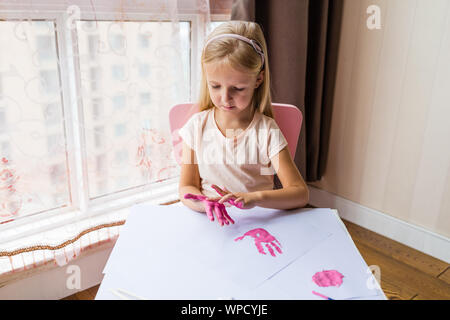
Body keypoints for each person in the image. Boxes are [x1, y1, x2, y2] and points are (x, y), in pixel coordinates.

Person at [178, 21, 309, 226]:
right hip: (209, 223)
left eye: (237, 88)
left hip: (257, 224)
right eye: (215, 86)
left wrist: (256, 198)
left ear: (258, 80)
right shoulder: (196, 127)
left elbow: (299, 193)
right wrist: (205, 205)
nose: (225, 98)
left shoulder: (266, 131)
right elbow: (186, 187)